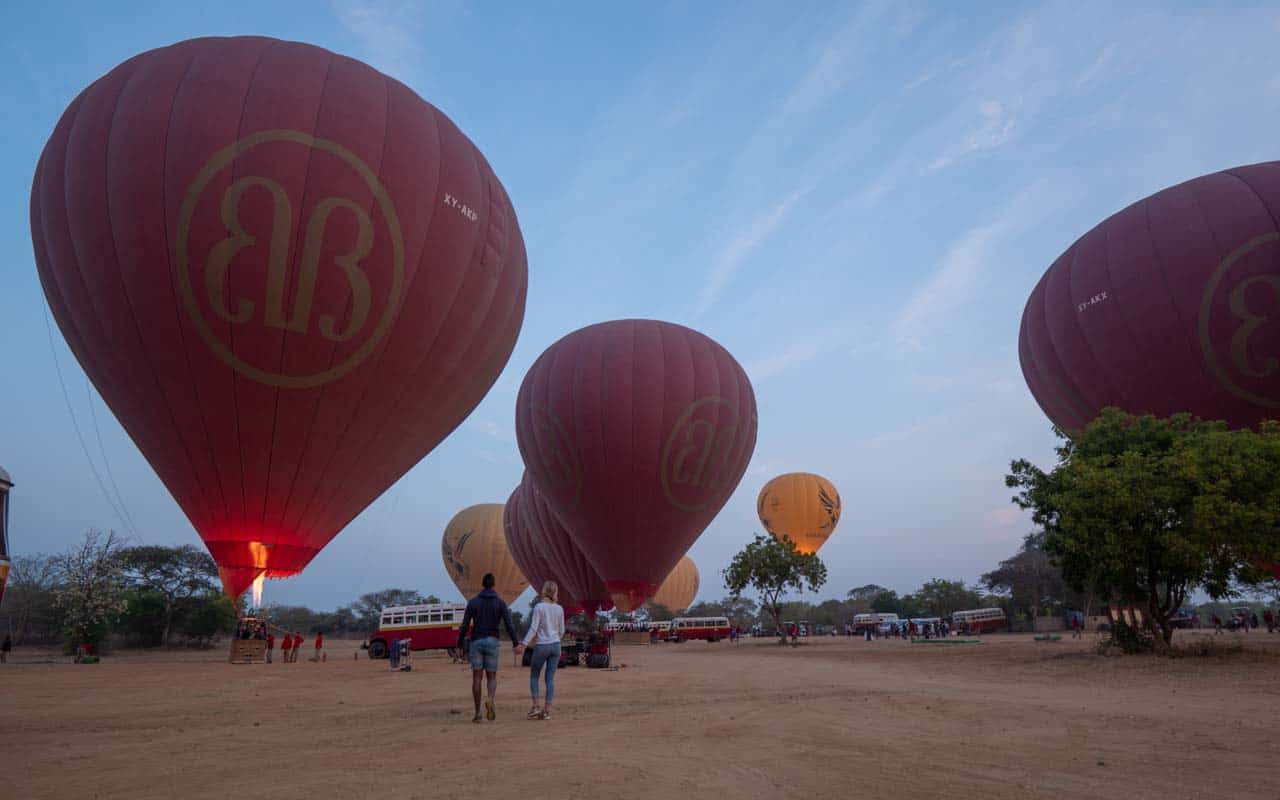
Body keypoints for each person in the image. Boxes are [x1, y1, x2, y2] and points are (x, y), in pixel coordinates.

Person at [456, 572, 520, 723]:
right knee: (491, 677)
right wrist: (515, 642)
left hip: (476, 641)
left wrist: (459, 644)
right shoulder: (500, 603)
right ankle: (490, 699)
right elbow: (509, 624)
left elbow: (464, 625)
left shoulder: (473, 603)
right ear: (493, 585)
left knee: (477, 677)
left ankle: (478, 713)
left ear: (482, 585)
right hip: (492, 641)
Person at [522, 580, 565, 721]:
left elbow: (534, 628)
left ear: (544, 591)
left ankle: (535, 707)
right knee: (550, 679)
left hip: (542, 646)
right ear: (555, 593)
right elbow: (562, 631)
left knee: (534, 676)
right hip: (556, 646)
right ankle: (546, 711)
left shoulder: (539, 607)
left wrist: (524, 644)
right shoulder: (559, 609)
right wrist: (555, 639)